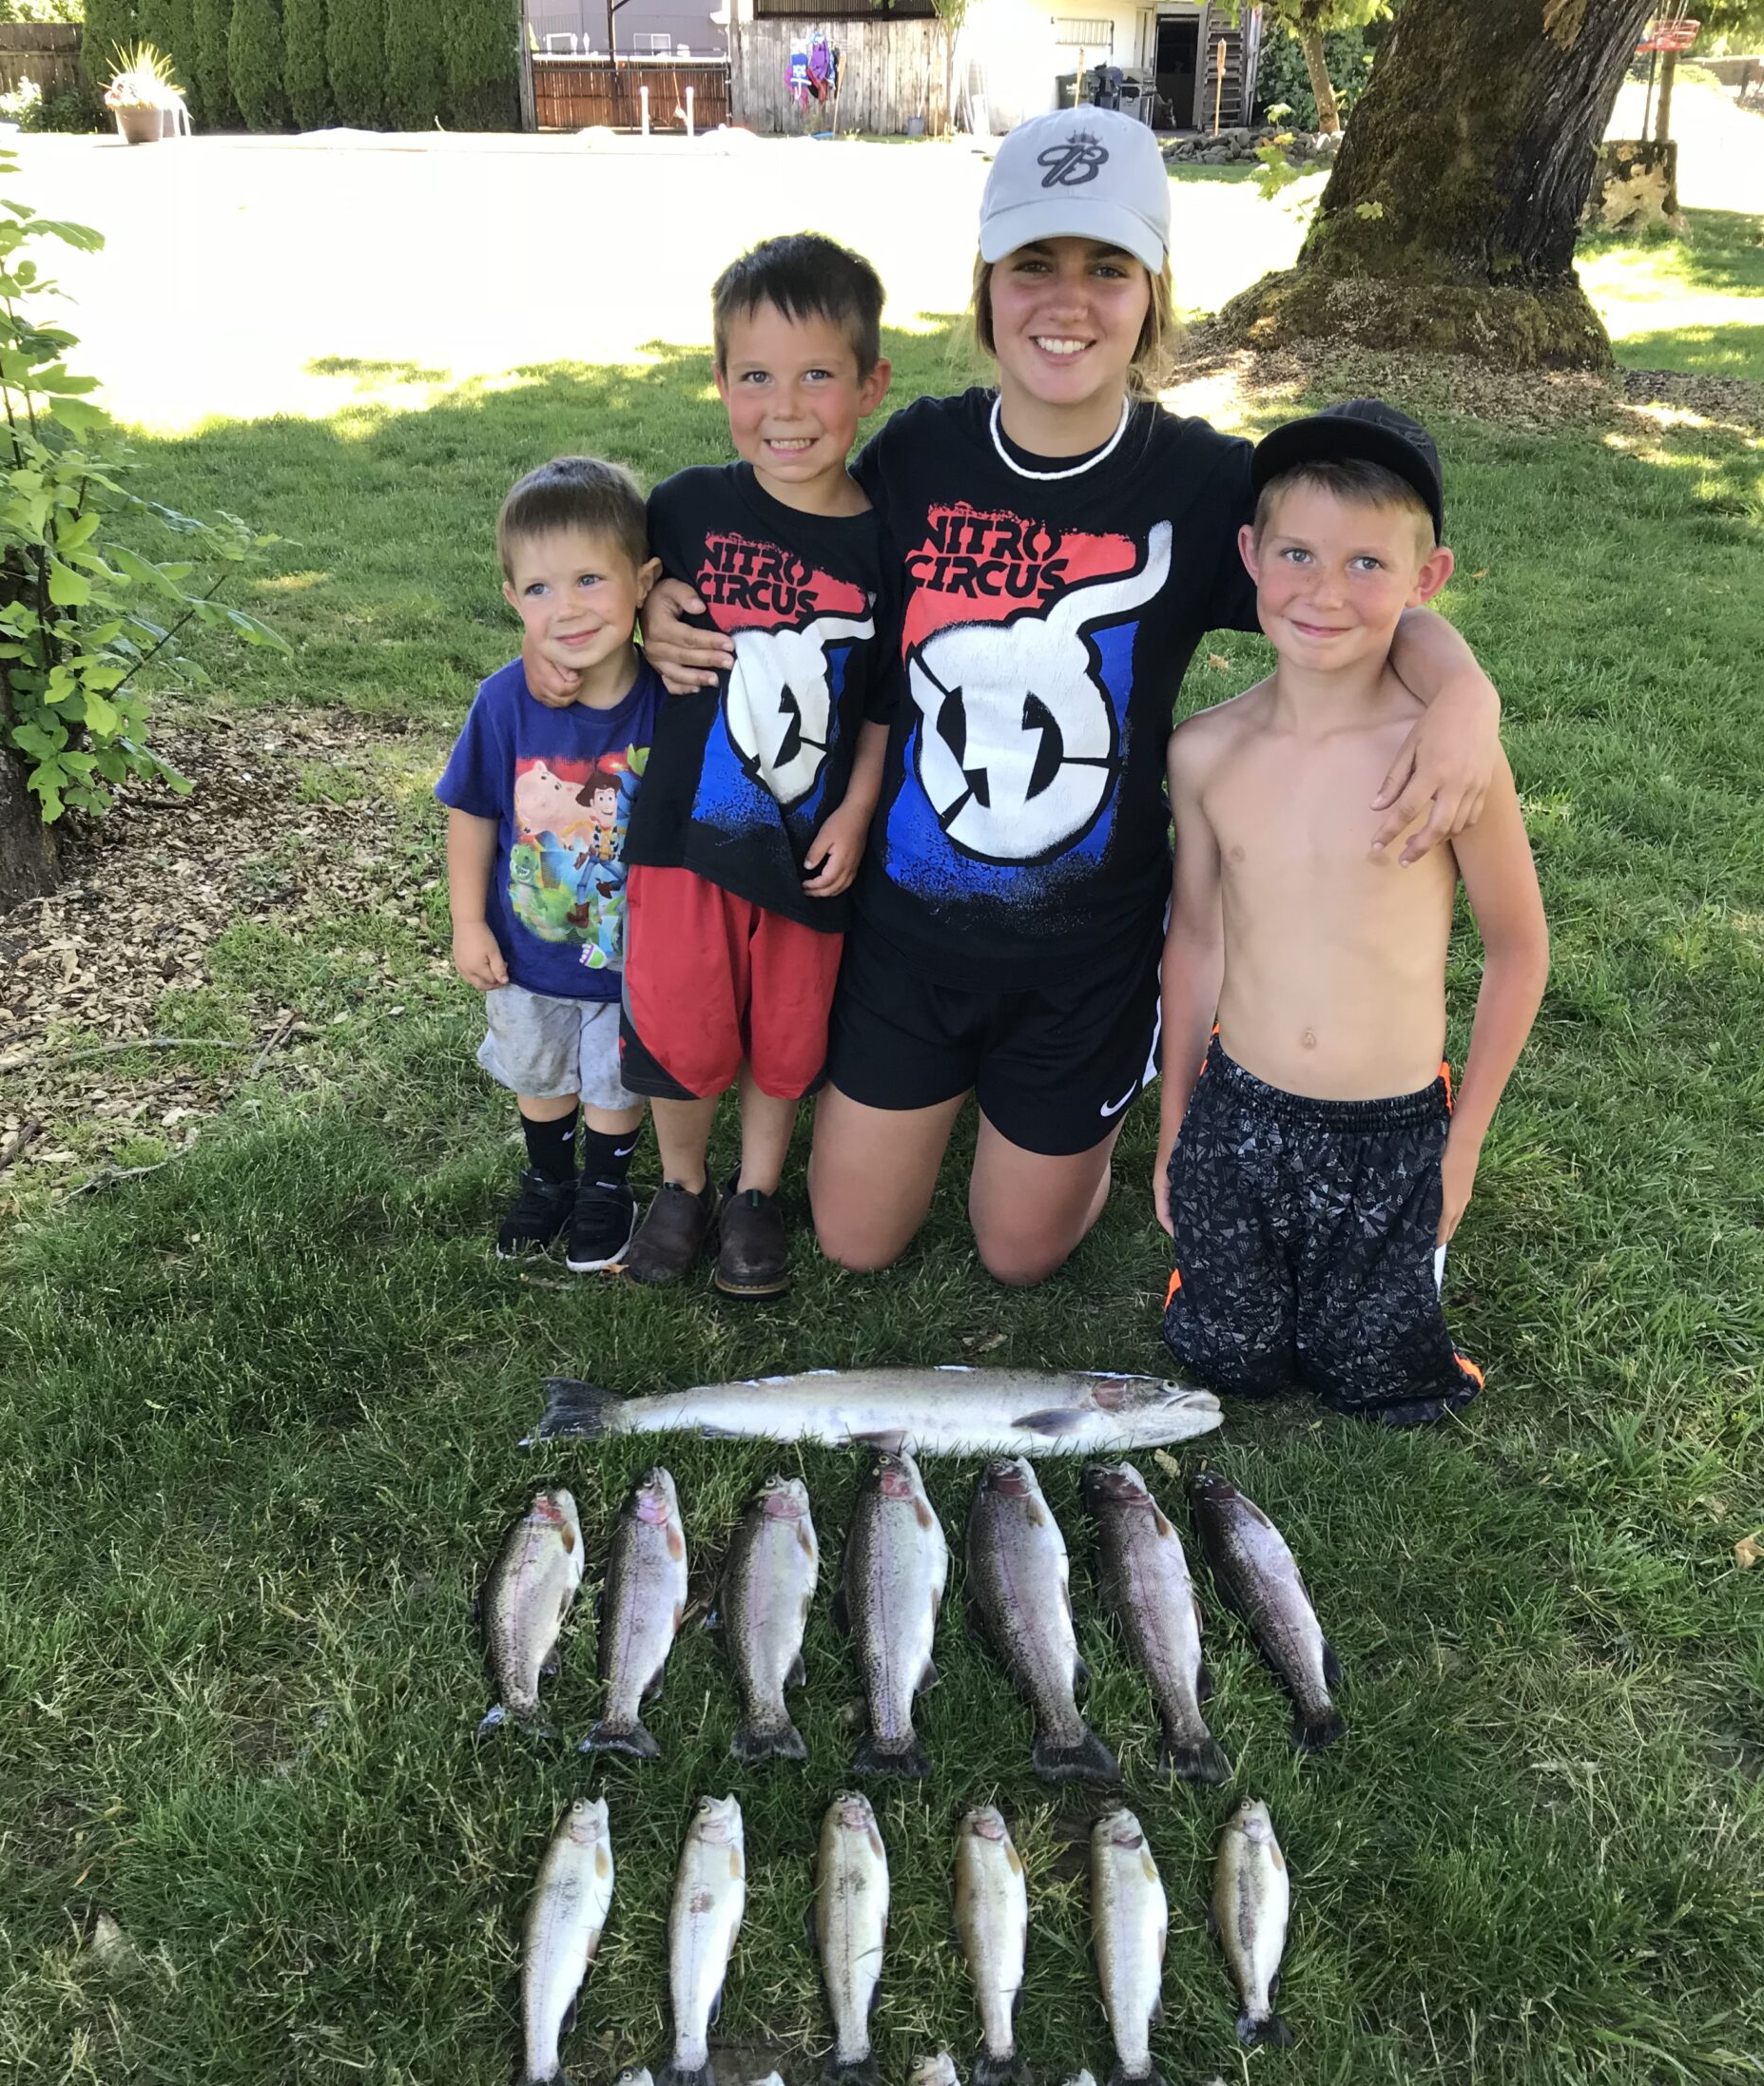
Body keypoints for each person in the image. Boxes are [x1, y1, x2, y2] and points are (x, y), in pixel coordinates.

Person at [646, 107, 1508, 1288]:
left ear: (1152, 292)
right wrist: (661, 603)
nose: (1068, 301)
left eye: (1107, 269)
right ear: (987, 286)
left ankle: (1072, 1109)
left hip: (1085, 953)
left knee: (1019, 1256)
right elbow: (783, 550)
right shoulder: (916, 454)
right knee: (852, 1241)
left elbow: (1349, 595)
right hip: (907, 934)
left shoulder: (1208, 485)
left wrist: (1465, 697)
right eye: (1033, 266)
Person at [1155, 401, 1549, 1424]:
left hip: (1392, 1130)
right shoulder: (1206, 753)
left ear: (1429, 580)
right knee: (1223, 1361)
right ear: (1250, 554)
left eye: (1368, 564)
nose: (1326, 593)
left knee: (1379, 1385)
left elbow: (1518, 950)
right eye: (1297, 553)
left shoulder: (1449, 757)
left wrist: (1459, 1149)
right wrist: (1176, 1130)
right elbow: (1195, 939)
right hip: (1240, 1113)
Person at [616, 233, 894, 1299]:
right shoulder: (684, 508)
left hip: (804, 848)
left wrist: (858, 810)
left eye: (818, 373)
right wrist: (644, 609)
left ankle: (756, 1194)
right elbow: (598, 602)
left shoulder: (885, 543)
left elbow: (881, 702)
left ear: (870, 383)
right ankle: (682, 1183)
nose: (786, 406)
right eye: (756, 376)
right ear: (720, 382)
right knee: (682, 1029)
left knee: (786, 1036)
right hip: (685, 836)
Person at [438, 457, 660, 1268]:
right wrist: (467, 923)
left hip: (637, 958)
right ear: (510, 600)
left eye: (590, 580)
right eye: (538, 589)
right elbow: (473, 813)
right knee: (542, 1072)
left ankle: (606, 1188)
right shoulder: (502, 702)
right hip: (528, 954)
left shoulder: (670, 699)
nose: (565, 609)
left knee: (615, 1081)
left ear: (644, 582)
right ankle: (547, 1180)